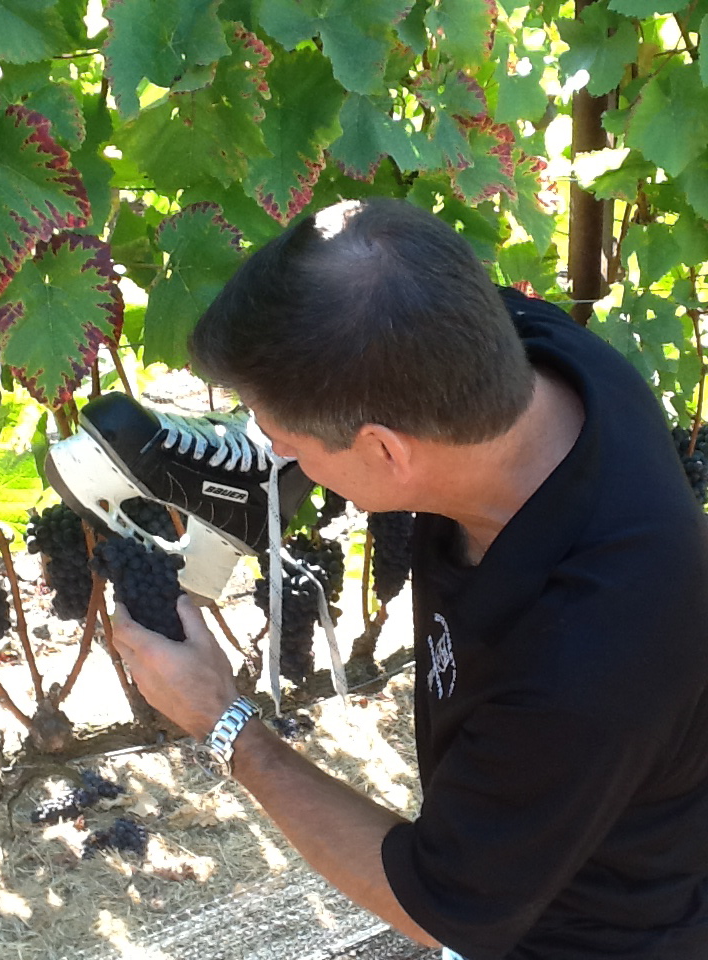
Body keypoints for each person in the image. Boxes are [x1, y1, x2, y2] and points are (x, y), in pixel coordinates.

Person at [111, 198, 708, 959]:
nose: (277, 455)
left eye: (288, 443)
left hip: (592, 936)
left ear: (388, 453)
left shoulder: (591, 654)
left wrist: (224, 722)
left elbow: (436, 905)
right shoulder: (532, 354)